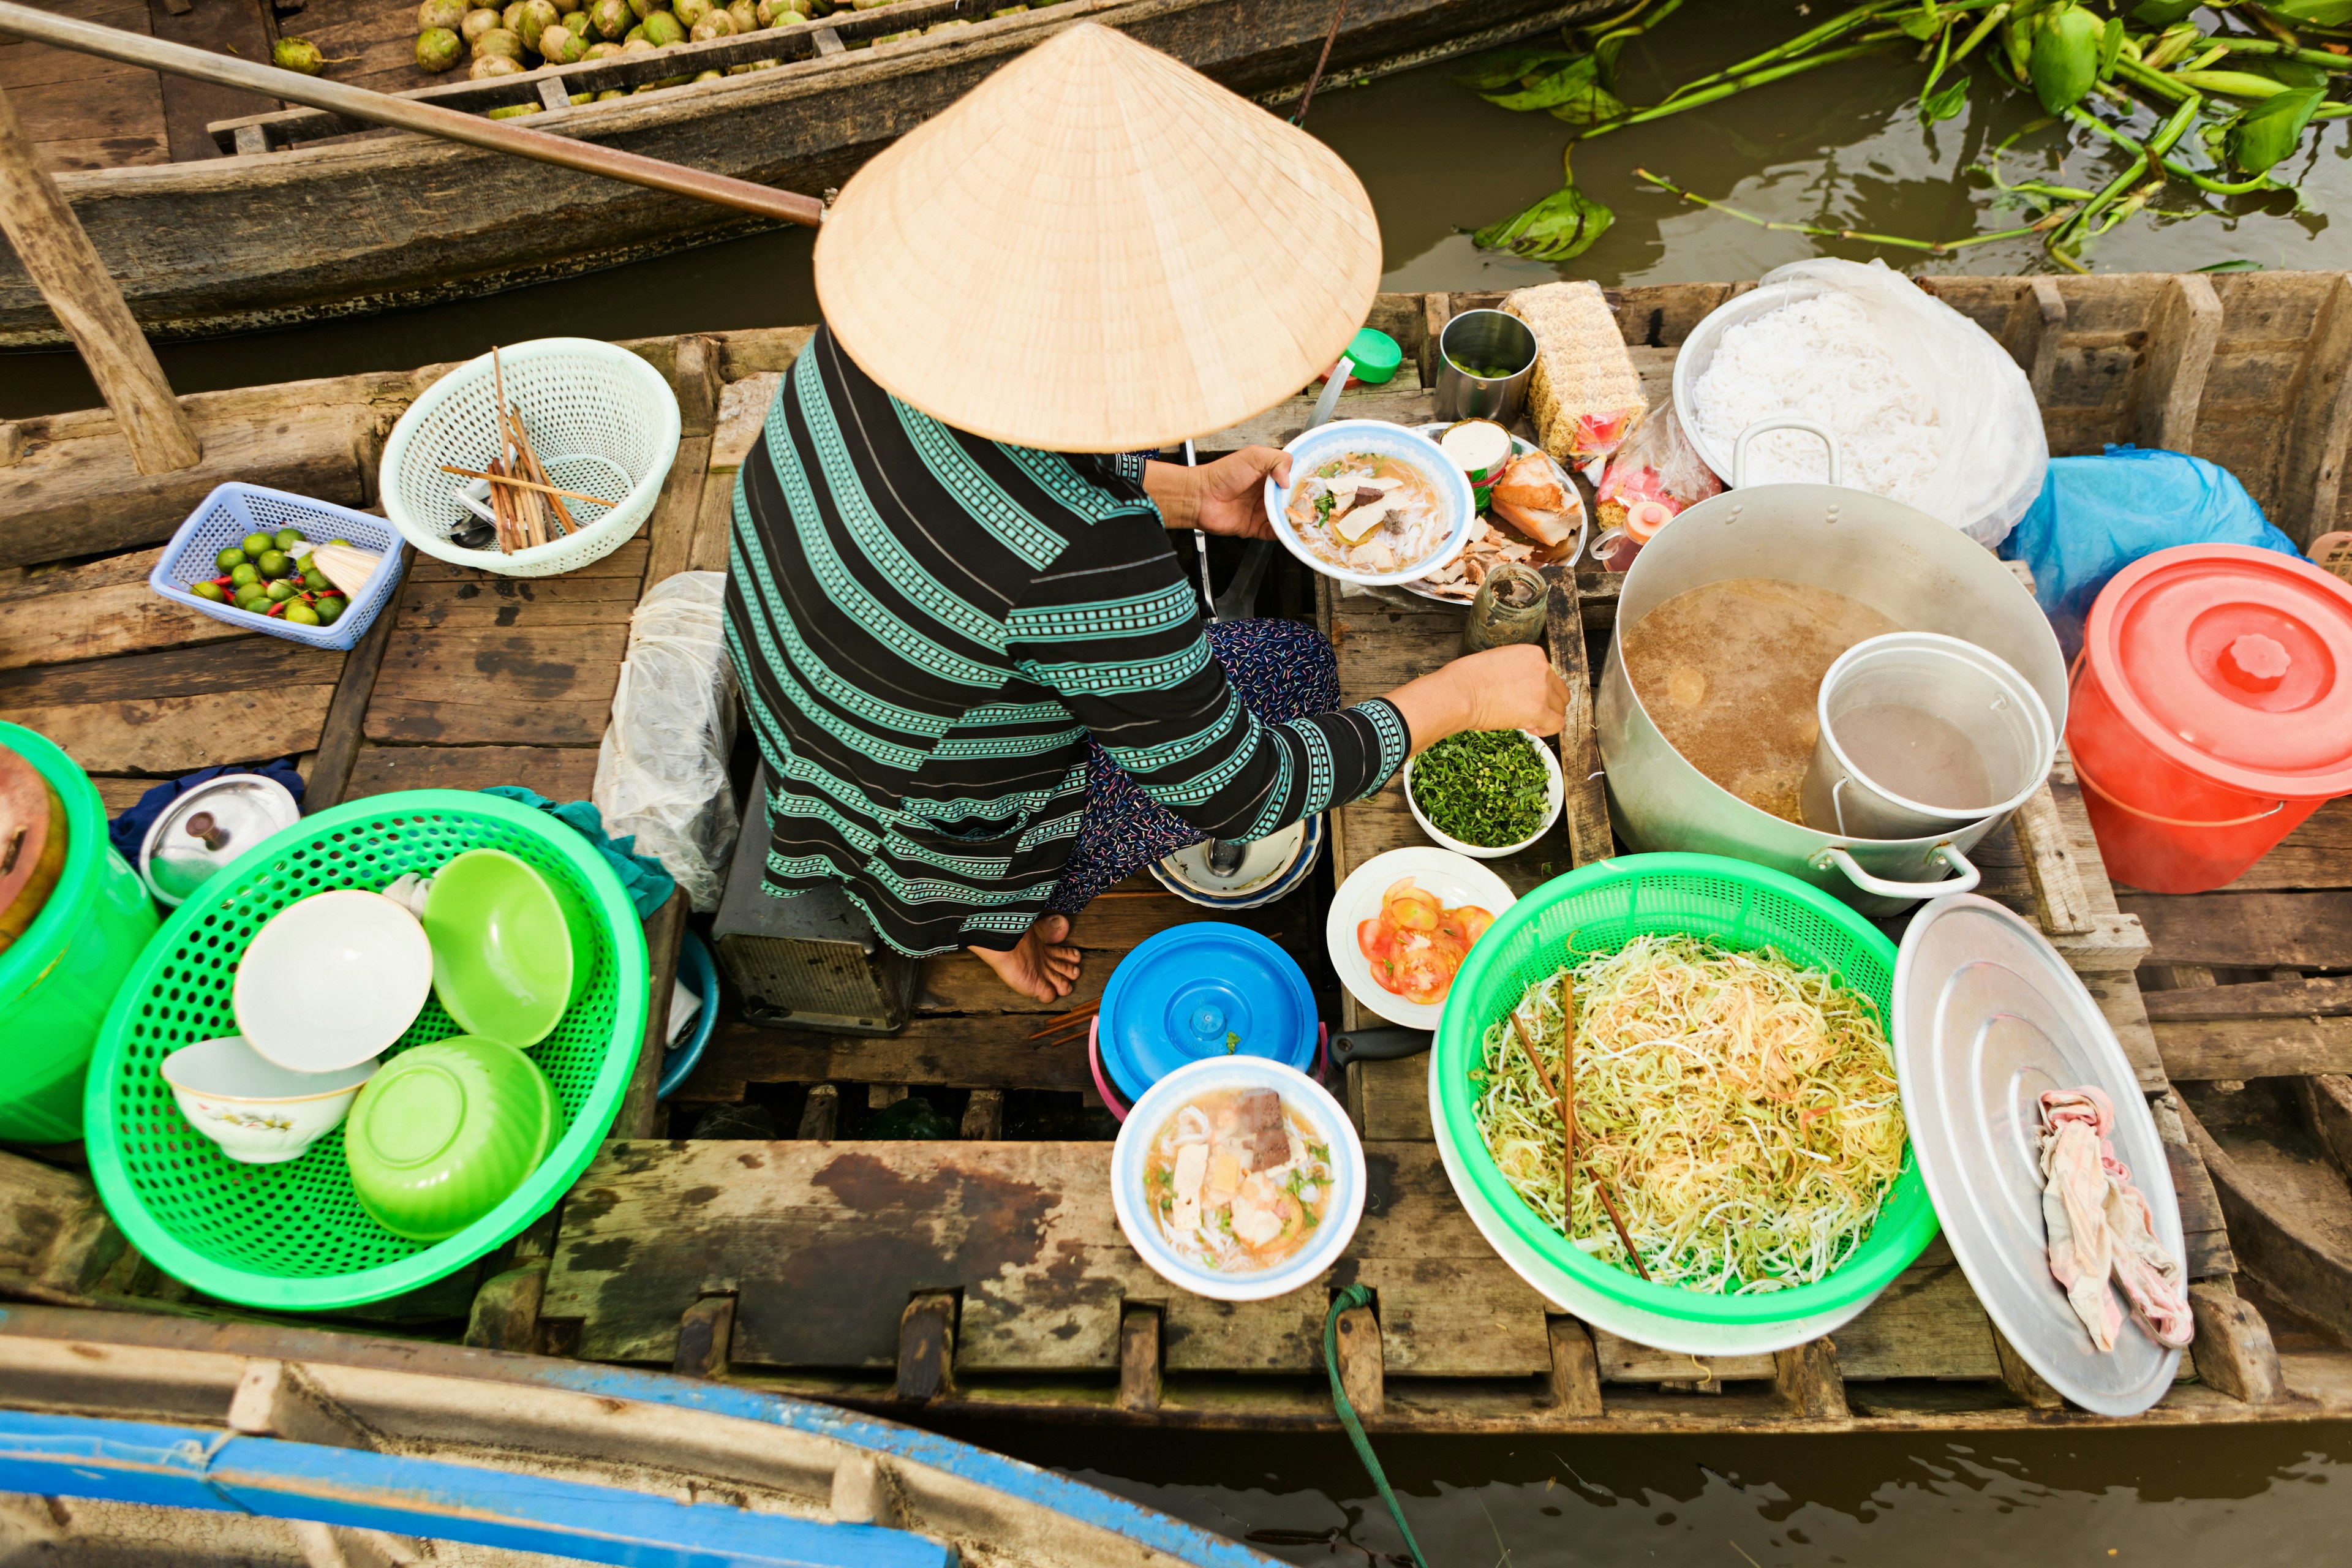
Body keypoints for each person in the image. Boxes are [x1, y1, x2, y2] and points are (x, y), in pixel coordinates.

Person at [723, 24, 1569, 1003]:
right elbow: (1239, 790)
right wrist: (1463, 698)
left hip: (801, 681)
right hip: (908, 810)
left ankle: (977, 900)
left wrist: (1185, 494)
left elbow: (1001, 455)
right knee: (1295, 674)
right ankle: (982, 924)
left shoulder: (883, 340)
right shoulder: (1086, 564)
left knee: (1248, 669)